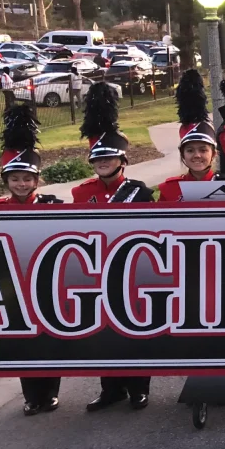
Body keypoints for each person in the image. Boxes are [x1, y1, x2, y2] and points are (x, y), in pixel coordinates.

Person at [73, 82, 154, 412]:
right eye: (98, 157)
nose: (103, 161)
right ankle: (111, 388)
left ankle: (139, 388)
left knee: (135, 330)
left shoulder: (139, 191)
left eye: (109, 157)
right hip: (96, 271)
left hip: (134, 271)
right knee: (102, 333)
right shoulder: (80, 193)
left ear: (122, 159)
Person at [0, 103, 62, 416]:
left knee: (48, 336)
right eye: (15, 179)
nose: (21, 184)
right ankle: (31, 396)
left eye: (27, 179)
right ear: (7, 180)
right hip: (11, 282)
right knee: (22, 339)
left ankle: (50, 394)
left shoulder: (53, 205)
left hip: (45, 281)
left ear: (37, 181)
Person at [159, 74, 225, 202]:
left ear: (214, 153)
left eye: (203, 150)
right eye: (190, 150)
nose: (197, 155)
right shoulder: (169, 190)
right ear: (182, 154)